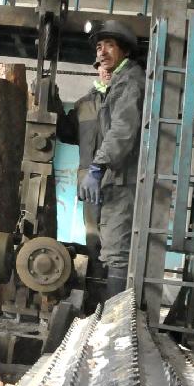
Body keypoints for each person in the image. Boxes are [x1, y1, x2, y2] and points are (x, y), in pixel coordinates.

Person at [73, 19, 145, 299]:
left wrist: (98, 166)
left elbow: (122, 132)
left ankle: (111, 326)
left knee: (116, 253)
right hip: (107, 180)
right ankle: (103, 315)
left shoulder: (129, 82)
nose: (102, 52)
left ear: (124, 50)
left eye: (110, 45)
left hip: (118, 179)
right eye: (99, 47)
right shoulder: (111, 88)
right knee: (104, 249)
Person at [55, 61, 111, 267]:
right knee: (94, 239)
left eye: (111, 68)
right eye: (102, 67)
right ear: (97, 69)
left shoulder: (127, 101)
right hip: (90, 184)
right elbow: (66, 133)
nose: (106, 72)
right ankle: (97, 291)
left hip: (119, 182)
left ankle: (117, 289)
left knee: (117, 241)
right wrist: (55, 105)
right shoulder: (84, 104)